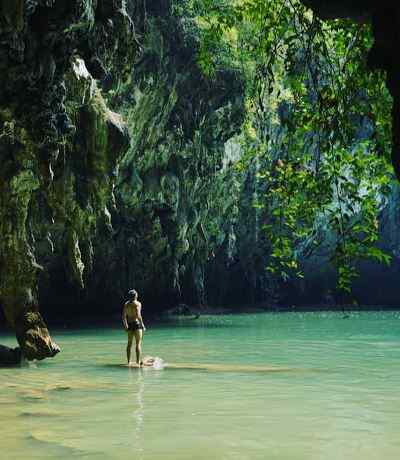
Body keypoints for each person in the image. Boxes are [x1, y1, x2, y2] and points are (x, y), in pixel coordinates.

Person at [122, 289, 146, 366]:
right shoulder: (138, 304)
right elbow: (138, 315)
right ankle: (137, 362)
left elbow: (123, 316)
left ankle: (128, 362)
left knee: (129, 344)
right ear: (136, 296)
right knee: (138, 344)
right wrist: (142, 325)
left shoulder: (126, 304)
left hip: (129, 325)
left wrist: (126, 326)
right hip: (137, 324)